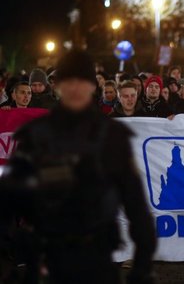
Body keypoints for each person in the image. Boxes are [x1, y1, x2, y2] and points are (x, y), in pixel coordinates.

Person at [0, 50, 156, 284]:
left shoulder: (112, 136)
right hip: (48, 260)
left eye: (82, 81)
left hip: (97, 258)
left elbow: (137, 207)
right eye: (68, 81)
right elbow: (8, 202)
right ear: (59, 86)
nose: (75, 88)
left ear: (92, 86)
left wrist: (142, 267)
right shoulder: (36, 135)